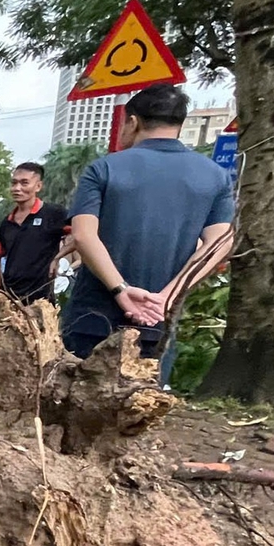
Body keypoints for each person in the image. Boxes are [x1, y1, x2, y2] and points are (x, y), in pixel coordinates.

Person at [63, 85, 236, 383]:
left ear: (133, 121)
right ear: (179, 125)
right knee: (139, 412)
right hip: (159, 322)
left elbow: (82, 235)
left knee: (76, 409)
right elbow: (221, 243)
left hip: (93, 316)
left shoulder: (104, 168)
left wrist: (120, 290)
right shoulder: (215, 176)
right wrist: (167, 297)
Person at [0, 162, 73, 303]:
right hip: (10, 299)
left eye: (24, 183)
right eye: (14, 183)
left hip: (41, 301)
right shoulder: (7, 222)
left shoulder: (54, 214)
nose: (17, 188)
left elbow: (83, 236)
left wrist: (58, 257)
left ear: (38, 186)